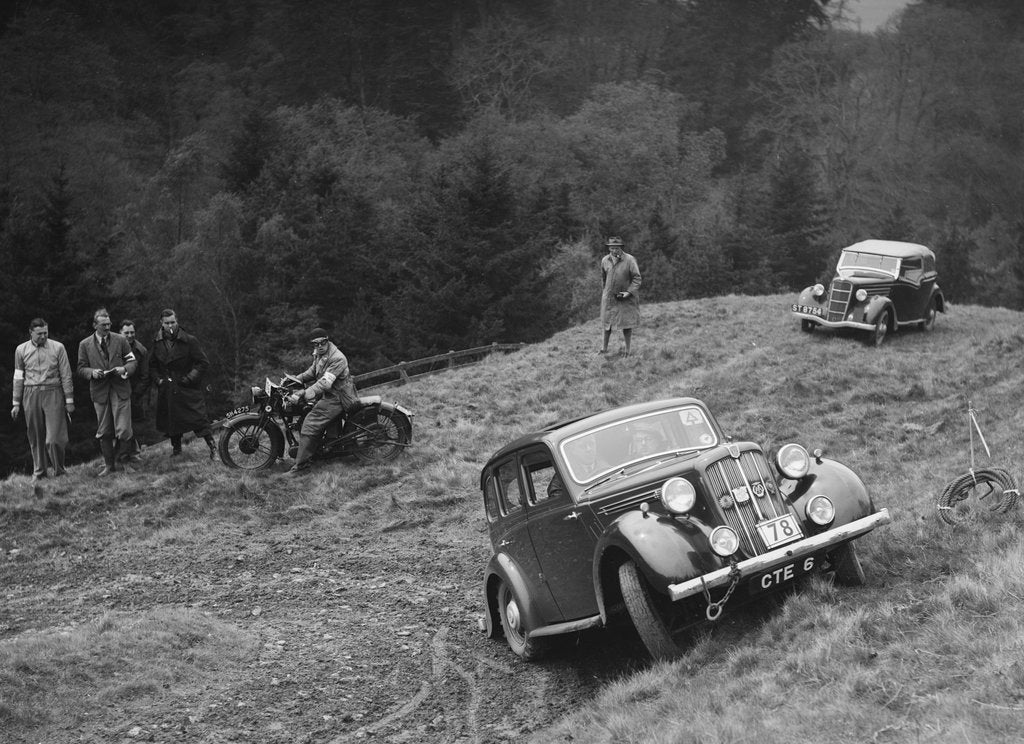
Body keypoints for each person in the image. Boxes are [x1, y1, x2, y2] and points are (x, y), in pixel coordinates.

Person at [287, 327, 359, 474]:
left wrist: (305, 393)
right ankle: (324, 449)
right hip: (329, 394)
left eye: (322, 342)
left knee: (309, 423)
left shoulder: (337, 358)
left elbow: (325, 382)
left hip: (338, 397)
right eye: (316, 344)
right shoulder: (320, 354)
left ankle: (301, 466)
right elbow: (312, 372)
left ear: (328, 340)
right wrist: (293, 380)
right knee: (308, 412)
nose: (319, 346)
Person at [11, 318, 75, 480]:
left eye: (45, 333)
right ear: (31, 333)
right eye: (39, 333)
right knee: (35, 435)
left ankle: (59, 469)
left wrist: (69, 400)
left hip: (53, 391)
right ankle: (39, 472)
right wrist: (16, 403)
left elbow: (66, 375)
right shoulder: (21, 350)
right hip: (30, 393)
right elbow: (18, 377)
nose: (43, 336)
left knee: (54, 437)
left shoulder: (58, 347)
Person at [77, 308, 138, 476]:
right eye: (103, 325)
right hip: (100, 391)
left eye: (109, 324)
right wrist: (92, 373)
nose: (107, 327)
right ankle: (109, 466)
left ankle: (125, 462)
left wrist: (124, 369)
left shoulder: (121, 340)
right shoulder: (85, 344)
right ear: (95, 325)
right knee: (104, 430)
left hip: (120, 389)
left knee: (124, 428)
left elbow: (132, 362)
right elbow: (81, 368)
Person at [150, 308, 215, 458]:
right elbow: (152, 365)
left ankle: (213, 448)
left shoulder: (189, 340)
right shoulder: (157, 342)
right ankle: (177, 450)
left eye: (173, 322)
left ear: (177, 321)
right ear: (162, 323)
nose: (170, 326)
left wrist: (189, 378)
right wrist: (159, 380)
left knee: (199, 420)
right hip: (168, 387)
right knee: (172, 421)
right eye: (167, 323)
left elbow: (203, 363)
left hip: (187, 387)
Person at [599, 236, 642, 356]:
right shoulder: (605, 260)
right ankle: (604, 349)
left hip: (625, 298)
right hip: (609, 298)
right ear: (609, 248)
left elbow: (637, 279)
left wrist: (628, 292)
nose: (614, 250)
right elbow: (603, 278)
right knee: (607, 324)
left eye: (616, 248)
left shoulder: (629, 260)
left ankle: (627, 351)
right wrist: (605, 293)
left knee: (626, 324)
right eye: (612, 248)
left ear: (621, 248)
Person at [118, 319, 151, 465]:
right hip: (118, 392)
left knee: (135, 424)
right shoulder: (114, 347)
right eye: (126, 333)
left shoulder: (141, 350)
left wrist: (136, 394)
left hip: (135, 392)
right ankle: (120, 455)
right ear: (120, 333)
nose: (130, 335)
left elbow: (145, 376)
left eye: (132, 332)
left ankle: (135, 453)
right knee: (120, 425)